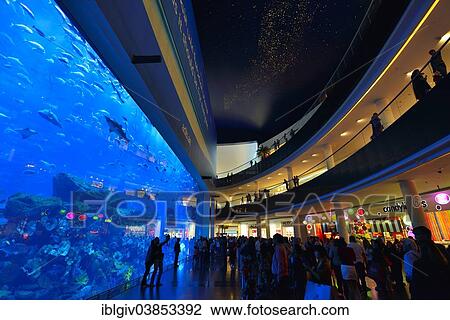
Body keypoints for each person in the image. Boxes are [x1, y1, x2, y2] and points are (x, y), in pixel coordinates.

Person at [410, 226, 450, 299]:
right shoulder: (441, 248)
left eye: (417, 235)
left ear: (424, 235)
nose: (416, 238)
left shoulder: (420, 260)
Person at [272, 233, 289, 299]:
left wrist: (279, 275)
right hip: (281, 273)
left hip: (279, 274)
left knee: (280, 294)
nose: (273, 240)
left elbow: (280, 262)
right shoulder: (282, 247)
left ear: (276, 239)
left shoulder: (278, 248)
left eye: (273, 239)